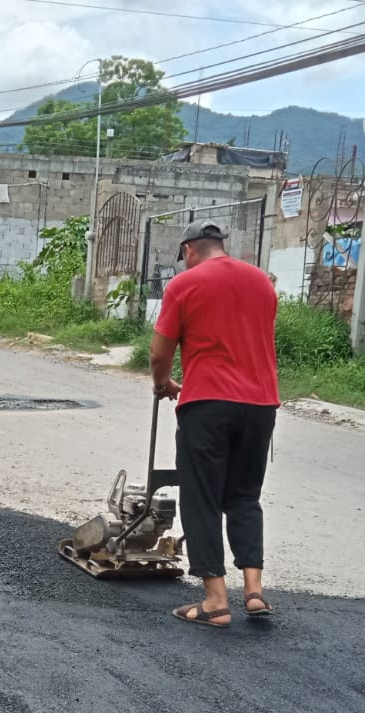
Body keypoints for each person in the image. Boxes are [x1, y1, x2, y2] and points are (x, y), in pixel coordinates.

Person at [148, 221, 280, 628]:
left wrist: (162, 384)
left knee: (202, 497)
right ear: (222, 245)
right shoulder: (261, 282)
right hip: (260, 404)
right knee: (243, 495)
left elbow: (159, 352)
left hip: (208, 403)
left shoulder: (185, 284)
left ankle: (215, 601)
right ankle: (254, 591)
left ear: (189, 250)